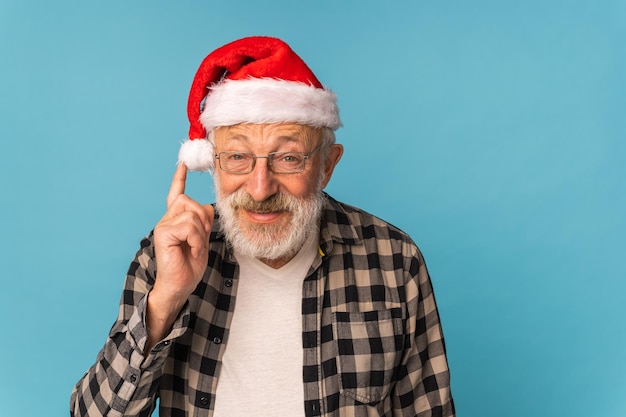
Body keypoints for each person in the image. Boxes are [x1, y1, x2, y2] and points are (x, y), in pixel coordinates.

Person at [70, 36, 455, 417]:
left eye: (288, 158)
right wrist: (166, 299)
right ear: (213, 162)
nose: (259, 188)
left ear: (327, 166)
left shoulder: (394, 259)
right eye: (237, 156)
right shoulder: (167, 256)